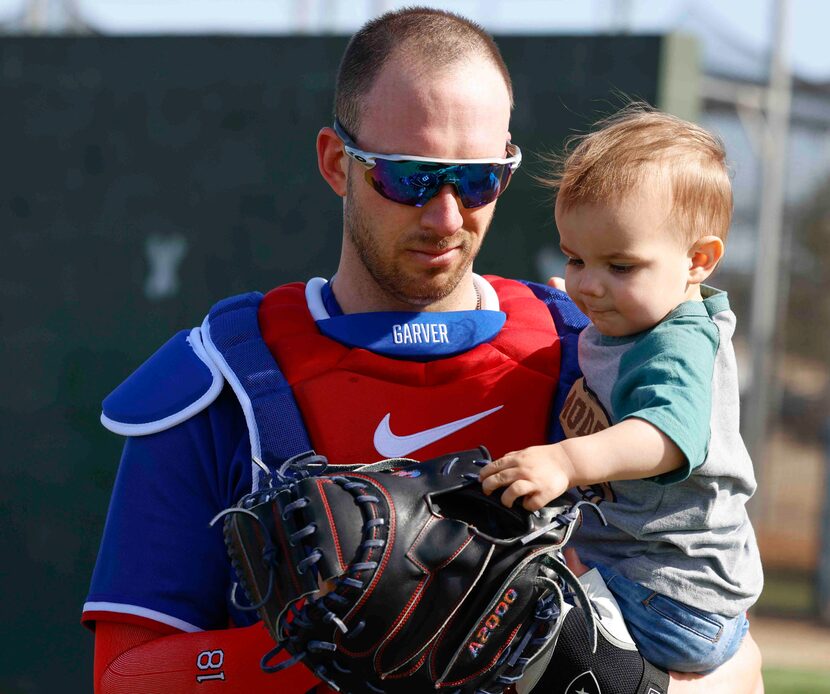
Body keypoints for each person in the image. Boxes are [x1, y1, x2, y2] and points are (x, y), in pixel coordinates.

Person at [83, 8, 763, 693]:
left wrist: (613, 676)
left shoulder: (586, 349)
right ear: (334, 163)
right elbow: (122, 677)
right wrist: (333, 643)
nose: (445, 217)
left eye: (476, 181)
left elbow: (739, 668)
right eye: (409, 176)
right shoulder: (224, 378)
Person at [480, 106, 764, 675]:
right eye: (577, 258)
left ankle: (602, 651)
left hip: (669, 597)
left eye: (620, 266)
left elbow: (664, 436)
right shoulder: (640, 318)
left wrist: (566, 459)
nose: (589, 284)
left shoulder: (677, 346)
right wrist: (586, 292)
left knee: (518, 604)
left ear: (698, 262)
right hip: (672, 585)